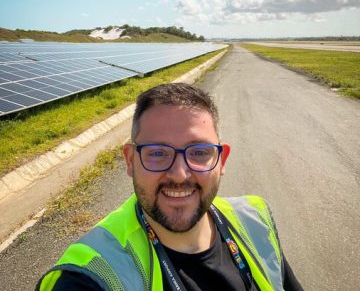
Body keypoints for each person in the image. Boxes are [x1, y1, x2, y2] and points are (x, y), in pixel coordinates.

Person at [36, 82, 303, 291]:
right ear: (130, 160)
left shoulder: (256, 220)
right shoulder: (90, 275)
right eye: (157, 153)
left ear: (221, 160)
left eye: (199, 152)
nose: (179, 174)